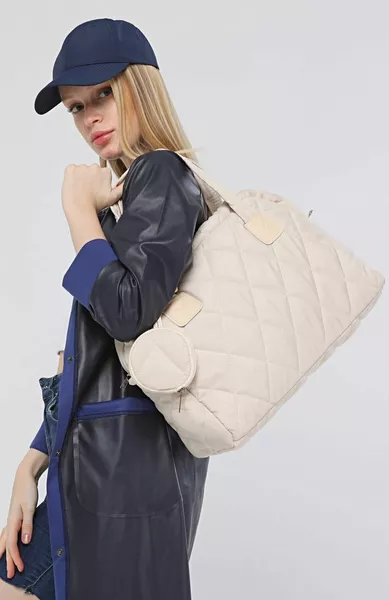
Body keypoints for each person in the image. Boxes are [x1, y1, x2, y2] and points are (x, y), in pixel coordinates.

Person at [0, 18, 210, 600]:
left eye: (103, 94)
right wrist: (30, 464)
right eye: (76, 107)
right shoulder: (135, 191)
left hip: (125, 469)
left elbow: (127, 312)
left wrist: (78, 212)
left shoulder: (162, 173)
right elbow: (100, 359)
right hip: (106, 463)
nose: (89, 117)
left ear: (139, 86)